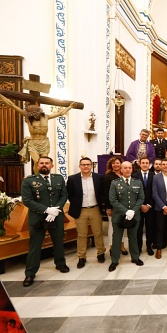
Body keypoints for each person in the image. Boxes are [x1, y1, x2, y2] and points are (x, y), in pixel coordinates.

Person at [21, 157, 70, 287]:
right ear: (37, 165)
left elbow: (64, 195)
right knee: (35, 246)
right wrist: (47, 210)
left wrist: (56, 210)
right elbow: (27, 200)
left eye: (47, 163)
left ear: (52, 165)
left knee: (58, 242)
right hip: (37, 218)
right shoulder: (29, 181)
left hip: (56, 217)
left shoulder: (58, 178)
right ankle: (30, 273)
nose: (44, 165)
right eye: (41, 163)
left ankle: (61, 264)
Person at [0, 94, 77, 173]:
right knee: (37, 162)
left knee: (45, 162)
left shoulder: (46, 117)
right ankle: (37, 177)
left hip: (44, 142)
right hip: (33, 142)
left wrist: (70, 106)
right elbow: (11, 105)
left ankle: (45, 177)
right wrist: (1, 96)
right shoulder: (27, 116)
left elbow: (60, 113)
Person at [67, 157, 106, 268]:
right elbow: (69, 194)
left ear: (91, 166)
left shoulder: (99, 178)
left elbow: (102, 193)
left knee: (98, 232)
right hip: (81, 210)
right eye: (83, 164)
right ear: (79, 166)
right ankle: (81, 256)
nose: (86, 166)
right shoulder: (72, 179)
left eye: (88, 164)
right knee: (81, 234)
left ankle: (101, 253)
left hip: (95, 209)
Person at [108, 161, 145, 272]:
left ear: (132, 169)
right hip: (119, 216)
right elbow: (113, 200)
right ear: (121, 170)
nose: (128, 170)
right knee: (117, 239)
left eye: (129, 168)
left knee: (133, 237)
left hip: (134, 215)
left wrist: (133, 211)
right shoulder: (115, 183)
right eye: (125, 168)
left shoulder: (138, 183)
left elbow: (141, 198)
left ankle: (135, 257)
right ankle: (114, 260)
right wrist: (126, 211)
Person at [103, 156, 129, 255]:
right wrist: (109, 207)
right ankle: (111, 246)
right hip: (113, 206)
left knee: (122, 226)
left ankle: (122, 246)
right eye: (113, 163)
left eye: (117, 163)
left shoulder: (124, 175)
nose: (116, 165)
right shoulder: (108, 177)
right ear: (111, 165)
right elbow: (106, 193)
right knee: (112, 227)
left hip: (124, 206)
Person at [131, 157, 156, 256]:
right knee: (138, 228)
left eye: (147, 163)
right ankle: (138, 247)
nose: (145, 164)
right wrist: (140, 205)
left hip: (150, 206)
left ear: (149, 164)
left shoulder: (154, 176)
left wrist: (149, 205)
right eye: (143, 163)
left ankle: (149, 246)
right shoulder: (134, 176)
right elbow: (133, 192)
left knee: (150, 228)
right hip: (138, 207)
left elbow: (155, 192)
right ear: (139, 164)